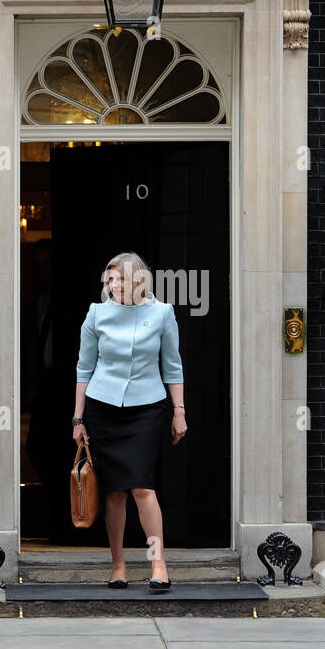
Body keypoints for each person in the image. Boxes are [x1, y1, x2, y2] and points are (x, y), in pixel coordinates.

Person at [72, 252, 187, 592]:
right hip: (103, 408)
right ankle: (118, 564)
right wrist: (78, 418)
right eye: (109, 280)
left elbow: (173, 366)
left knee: (142, 487)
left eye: (120, 279)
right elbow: (84, 368)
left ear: (137, 280)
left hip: (146, 409)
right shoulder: (97, 314)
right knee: (115, 492)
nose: (113, 285)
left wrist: (178, 410)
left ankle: (157, 561)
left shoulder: (163, 314)